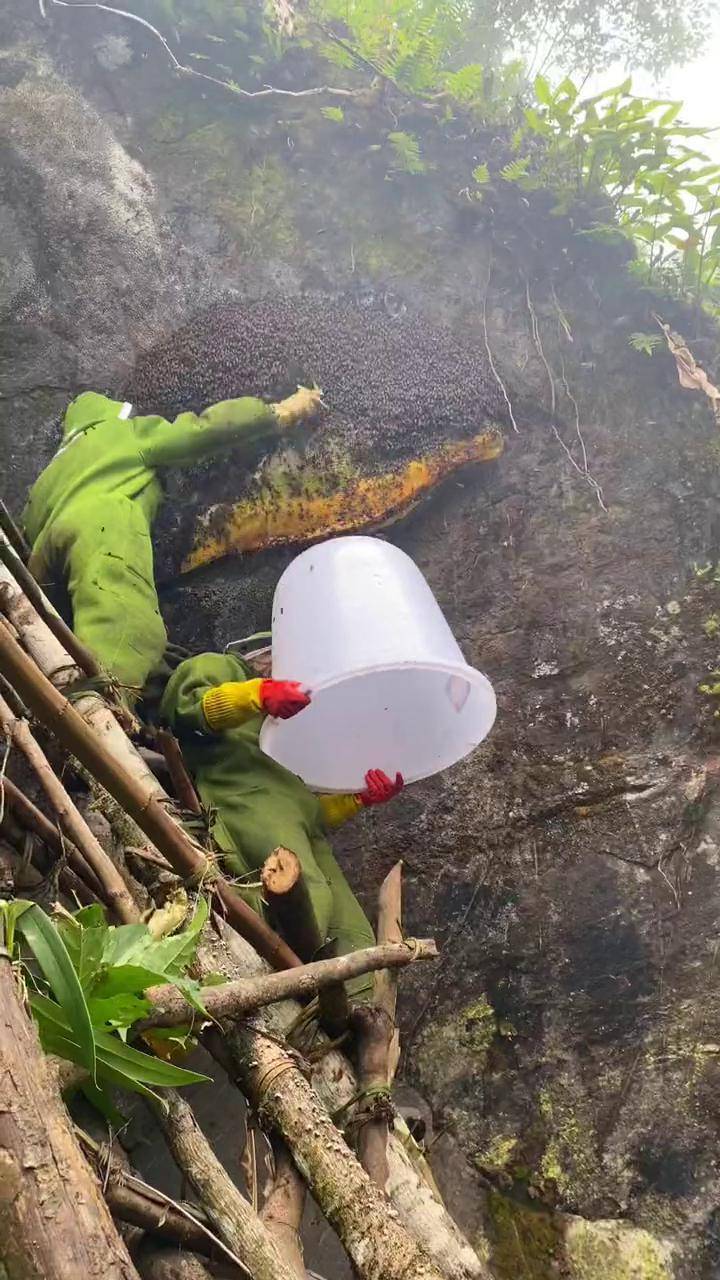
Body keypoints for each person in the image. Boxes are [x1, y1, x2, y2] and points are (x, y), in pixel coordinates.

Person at [21, 385, 322, 701]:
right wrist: (277, 413)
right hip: (101, 523)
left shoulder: (46, 480)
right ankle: (103, 711)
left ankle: (47, 700)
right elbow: (200, 431)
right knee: (125, 624)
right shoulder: (121, 433)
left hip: (43, 555)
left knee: (55, 629)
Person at [160, 647, 404, 994]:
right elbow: (183, 710)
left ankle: (358, 1010)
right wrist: (256, 695)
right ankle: (304, 994)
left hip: (296, 822)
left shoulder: (288, 731)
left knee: (353, 932)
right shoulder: (222, 666)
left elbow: (306, 811)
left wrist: (359, 798)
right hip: (246, 798)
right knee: (306, 900)